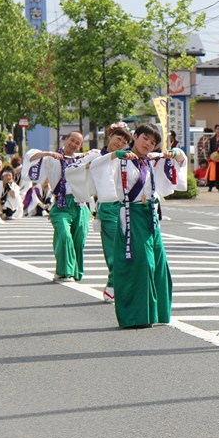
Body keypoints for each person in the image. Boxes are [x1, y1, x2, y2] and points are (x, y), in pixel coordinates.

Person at [89, 123, 187, 328]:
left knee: (159, 263)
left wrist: (176, 153)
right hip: (130, 215)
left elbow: (179, 164)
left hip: (151, 214)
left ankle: (157, 312)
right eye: (145, 139)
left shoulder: (151, 161)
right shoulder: (120, 159)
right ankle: (135, 315)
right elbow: (96, 166)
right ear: (135, 136)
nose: (148, 145)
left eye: (153, 142)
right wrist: (117, 155)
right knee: (142, 262)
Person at [65, 124, 132, 303]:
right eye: (118, 139)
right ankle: (113, 283)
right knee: (112, 249)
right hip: (108, 207)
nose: (120, 144)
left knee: (128, 248)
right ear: (110, 137)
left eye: (124, 142)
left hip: (127, 208)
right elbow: (72, 170)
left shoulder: (126, 158)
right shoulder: (95, 155)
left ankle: (119, 284)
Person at [24, 131, 96, 282]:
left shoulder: (81, 158)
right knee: (64, 236)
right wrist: (48, 153)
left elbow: (101, 157)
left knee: (79, 239)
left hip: (80, 204)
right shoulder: (52, 158)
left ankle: (75, 272)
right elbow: (31, 157)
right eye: (72, 140)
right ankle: (64, 272)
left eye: (77, 142)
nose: (73, 144)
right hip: (62, 204)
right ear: (65, 140)